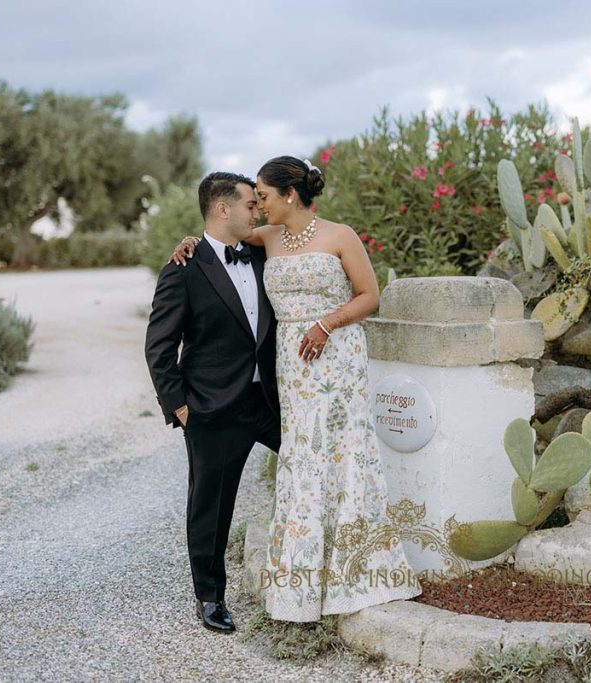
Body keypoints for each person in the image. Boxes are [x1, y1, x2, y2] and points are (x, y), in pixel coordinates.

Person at [170, 156, 421, 623]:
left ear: (289, 194)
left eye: (263, 195)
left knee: (344, 455)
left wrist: (327, 323)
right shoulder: (264, 238)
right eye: (253, 199)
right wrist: (187, 244)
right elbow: (218, 236)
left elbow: (370, 295)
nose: (258, 205)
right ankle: (298, 581)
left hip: (337, 357)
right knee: (303, 461)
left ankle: (355, 569)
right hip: (291, 370)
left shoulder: (340, 235)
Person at [145, 172, 281, 633]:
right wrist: (180, 408)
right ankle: (210, 596)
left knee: (315, 464)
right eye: (249, 204)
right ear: (222, 209)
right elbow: (159, 346)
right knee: (212, 505)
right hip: (213, 408)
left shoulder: (263, 252)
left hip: (271, 401)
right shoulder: (183, 267)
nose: (256, 211)